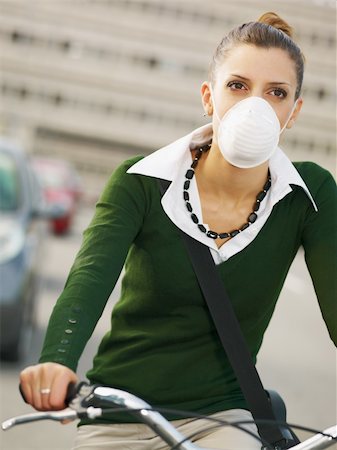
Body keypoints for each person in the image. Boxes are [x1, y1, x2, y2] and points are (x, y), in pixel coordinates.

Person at [20, 11, 337, 450]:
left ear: (293, 112)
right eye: (238, 86)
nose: (255, 106)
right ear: (209, 97)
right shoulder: (140, 181)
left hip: (225, 417)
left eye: (276, 93)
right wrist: (57, 361)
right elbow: (88, 280)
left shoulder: (309, 194)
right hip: (120, 409)